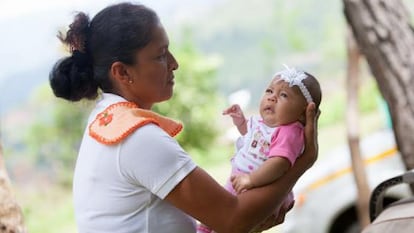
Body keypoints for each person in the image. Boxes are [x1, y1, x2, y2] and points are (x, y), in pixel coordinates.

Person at [49, 2, 320, 233]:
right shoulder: (135, 136)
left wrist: (248, 219)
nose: (174, 63)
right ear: (121, 72)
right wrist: (303, 161)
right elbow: (232, 218)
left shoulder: (106, 119)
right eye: (160, 55)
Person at [197, 67, 322, 233]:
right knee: (216, 214)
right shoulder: (265, 125)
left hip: (258, 186)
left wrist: (251, 180)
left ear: (303, 113)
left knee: (222, 215)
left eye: (283, 95)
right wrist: (241, 122)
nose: (272, 98)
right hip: (242, 183)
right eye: (269, 91)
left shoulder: (289, 131)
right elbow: (254, 140)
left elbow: (279, 162)